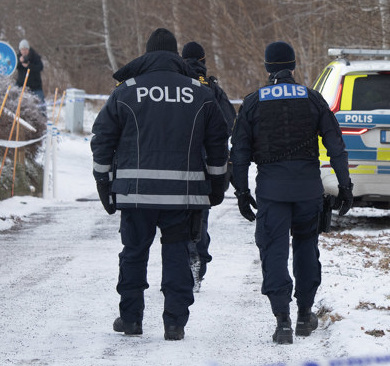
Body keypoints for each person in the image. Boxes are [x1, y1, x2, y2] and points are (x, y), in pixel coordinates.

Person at [91, 28, 230, 340]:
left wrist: (104, 182)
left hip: (135, 194)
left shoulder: (125, 92)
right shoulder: (200, 92)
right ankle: (175, 323)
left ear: (147, 53)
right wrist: (218, 184)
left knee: (134, 252)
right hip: (183, 195)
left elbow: (103, 139)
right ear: (175, 54)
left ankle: (131, 320)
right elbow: (219, 142)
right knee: (178, 255)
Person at [231, 41, 353, 344]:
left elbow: (239, 154)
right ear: (294, 66)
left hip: (272, 193)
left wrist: (242, 192)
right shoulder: (313, 99)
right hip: (308, 191)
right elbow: (336, 146)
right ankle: (304, 314)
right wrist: (345, 186)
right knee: (306, 248)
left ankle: (282, 320)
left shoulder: (253, 102)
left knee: (273, 251)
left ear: (267, 67)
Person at [181, 40, 236, 289]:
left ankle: (182, 263)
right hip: (206, 165)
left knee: (175, 219)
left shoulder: (177, 87)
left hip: (178, 161)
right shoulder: (212, 89)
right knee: (199, 217)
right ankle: (198, 263)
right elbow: (229, 123)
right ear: (203, 62)